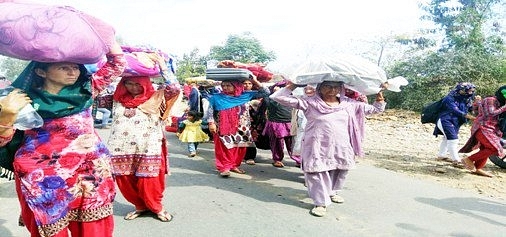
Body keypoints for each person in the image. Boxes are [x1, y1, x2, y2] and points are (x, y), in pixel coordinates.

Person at [0, 42, 126, 237]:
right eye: (64, 67)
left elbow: (117, 64)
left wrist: (108, 39)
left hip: (89, 169)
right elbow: (3, 142)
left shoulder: (86, 90)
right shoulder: (20, 99)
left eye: (75, 67)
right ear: (41, 72)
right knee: (52, 229)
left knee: (94, 228)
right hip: (45, 175)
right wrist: (6, 116)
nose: (72, 72)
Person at [270, 80, 386, 217]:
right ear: (320, 87)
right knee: (315, 171)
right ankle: (320, 202)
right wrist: (295, 84)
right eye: (328, 86)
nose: (332, 89)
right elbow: (278, 97)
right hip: (316, 144)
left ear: (341, 88)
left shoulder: (349, 104)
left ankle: (331, 191)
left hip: (341, 145)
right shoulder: (309, 102)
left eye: (336, 87)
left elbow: (376, 109)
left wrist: (379, 93)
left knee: (339, 170)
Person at [107, 73, 180, 222]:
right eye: (129, 83)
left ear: (145, 83)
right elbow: (92, 90)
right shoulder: (116, 99)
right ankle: (140, 206)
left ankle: (156, 207)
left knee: (150, 180)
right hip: (120, 148)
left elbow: (174, 88)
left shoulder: (156, 97)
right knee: (125, 180)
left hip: (148, 147)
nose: (133, 88)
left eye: (138, 84)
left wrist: (162, 65)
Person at [207, 79, 257, 177]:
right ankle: (224, 167)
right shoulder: (216, 97)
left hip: (242, 126)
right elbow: (210, 110)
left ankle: (234, 165)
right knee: (224, 147)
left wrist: (254, 80)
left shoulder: (245, 96)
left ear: (236, 86)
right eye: (223, 85)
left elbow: (266, 93)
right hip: (223, 126)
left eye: (228, 85)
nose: (225, 88)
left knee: (239, 147)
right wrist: (211, 123)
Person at [459, 86, 506, 177]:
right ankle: (468, 159)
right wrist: (504, 107)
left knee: (485, 149)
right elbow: (490, 113)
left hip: (490, 128)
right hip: (483, 127)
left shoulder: (499, 102)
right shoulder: (491, 100)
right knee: (494, 148)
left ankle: (478, 168)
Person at [434, 82, 476, 167]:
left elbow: (472, 109)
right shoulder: (449, 98)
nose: (470, 93)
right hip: (445, 120)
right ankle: (456, 160)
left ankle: (441, 155)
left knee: (447, 138)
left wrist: (477, 103)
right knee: (453, 140)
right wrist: (469, 117)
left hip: (455, 122)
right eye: (469, 91)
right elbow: (455, 110)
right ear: (462, 90)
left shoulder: (467, 99)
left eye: (472, 91)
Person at [263, 80, 300, 168]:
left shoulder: (293, 98)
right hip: (276, 122)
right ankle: (277, 159)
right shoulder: (270, 97)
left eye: (284, 87)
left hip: (290, 122)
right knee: (277, 143)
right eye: (281, 87)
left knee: (293, 143)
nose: (282, 89)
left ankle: (298, 160)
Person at [242, 76, 270, 165]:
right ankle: (247, 156)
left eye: (249, 83)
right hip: (242, 120)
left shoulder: (255, 94)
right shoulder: (237, 95)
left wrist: (255, 81)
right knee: (245, 138)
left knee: (252, 137)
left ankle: (250, 156)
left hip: (255, 120)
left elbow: (266, 93)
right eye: (245, 83)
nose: (247, 85)